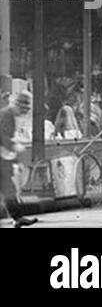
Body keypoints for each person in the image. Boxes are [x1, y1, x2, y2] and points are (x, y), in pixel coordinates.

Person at [1, 90, 38, 227]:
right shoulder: (6, 115)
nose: (25, 113)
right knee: (8, 189)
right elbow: (3, 137)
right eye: (25, 109)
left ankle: (18, 218)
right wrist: (14, 147)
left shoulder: (8, 115)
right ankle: (17, 218)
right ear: (19, 105)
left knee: (9, 190)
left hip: (3, 161)